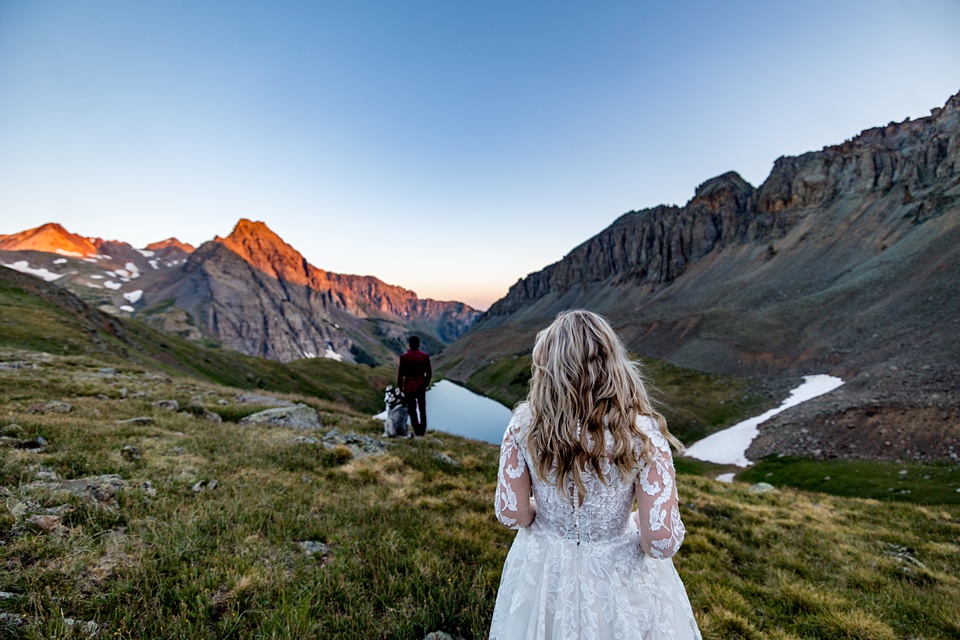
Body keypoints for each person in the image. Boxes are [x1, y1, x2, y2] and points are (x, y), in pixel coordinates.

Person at [490, 310, 701, 639]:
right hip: (616, 574)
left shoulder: (524, 423)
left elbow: (511, 513)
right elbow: (660, 542)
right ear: (613, 363)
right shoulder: (641, 432)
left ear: (549, 367)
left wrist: (541, 513)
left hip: (542, 568)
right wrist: (628, 525)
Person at [397, 335, 432, 437]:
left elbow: (401, 375)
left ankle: (417, 430)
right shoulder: (425, 356)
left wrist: (399, 388)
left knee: (412, 410)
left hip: (409, 387)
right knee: (422, 409)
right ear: (419, 344)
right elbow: (429, 373)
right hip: (421, 385)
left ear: (409, 344)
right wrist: (425, 383)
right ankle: (422, 430)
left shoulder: (404, 357)